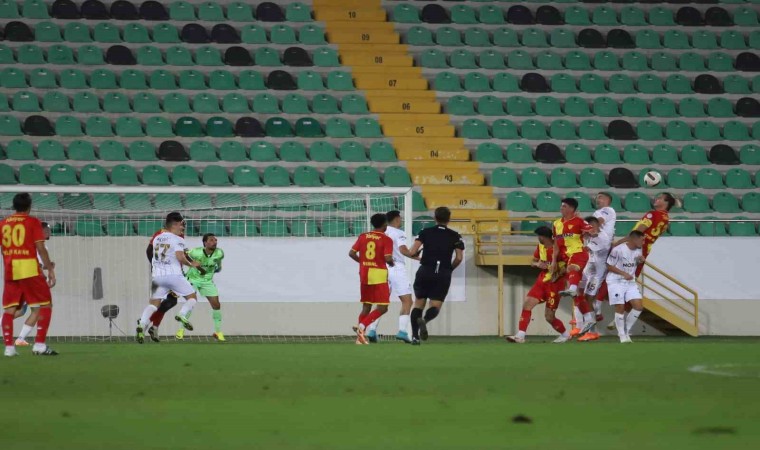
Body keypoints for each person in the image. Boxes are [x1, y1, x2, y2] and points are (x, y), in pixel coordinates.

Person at [605, 193, 674, 331]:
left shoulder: (653, 214)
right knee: (628, 281)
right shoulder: (666, 219)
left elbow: (637, 232)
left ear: (666, 203)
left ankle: (617, 314)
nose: (656, 198)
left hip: (633, 249)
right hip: (644, 252)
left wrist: (618, 242)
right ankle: (621, 315)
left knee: (613, 272)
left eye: (660, 198)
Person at [1, 193, 57, 356]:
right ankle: (39, 345)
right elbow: (40, 247)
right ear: (29, 206)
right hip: (29, 269)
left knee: (10, 309)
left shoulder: (3, 223)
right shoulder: (32, 222)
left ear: (14, 206)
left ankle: (9, 348)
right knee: (45, 304)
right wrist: (50, 269)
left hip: (10, 269)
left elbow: (3, 250)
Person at [137, 213, 202, 344]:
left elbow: (154, 252)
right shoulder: (177, 238)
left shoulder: (157, 237)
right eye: (182, 224)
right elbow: (180, 256)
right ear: (176, 224)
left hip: (158, 276)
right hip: (174, 275)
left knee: (157, 304)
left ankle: (143, 324)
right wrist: (192, 265)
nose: (183, 227)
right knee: (191, 297)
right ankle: (181, 315)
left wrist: (156, 267)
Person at [406, 207, 465, 345]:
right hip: (442, 273)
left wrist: (418, 257)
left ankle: (415, 336)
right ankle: (425, 321)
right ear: (449, 219)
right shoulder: (455, 235)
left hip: (425, 270)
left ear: (435, 218)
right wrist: (449, 269)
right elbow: (459, 258)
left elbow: (412, 251)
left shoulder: (425, 232)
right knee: (435, 305)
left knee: (418, 303)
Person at [505, 227, 569, 344]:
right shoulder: (540, 247)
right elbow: (533, 262)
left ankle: (565, 335)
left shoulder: (559, 248)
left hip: (555, 284)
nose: (538, 238)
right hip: (541, 282)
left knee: (549, 317)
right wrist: (537, 264)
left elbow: (567, 265)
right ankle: (520, 335)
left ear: (543, 237)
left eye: (539, 236)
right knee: (527, 305)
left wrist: (559, 273)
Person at [366, 211, 417, 344]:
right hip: (395, 267)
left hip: (380, 268)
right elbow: (403, 250)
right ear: (397, 219)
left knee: (382, 303)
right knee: (407, 301)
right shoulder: (398, 233)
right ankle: (402, 331)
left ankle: (371, 330)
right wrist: (418, 257)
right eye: (400, 218)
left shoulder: (379, 232)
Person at [348, 213, 394, 345]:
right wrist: (392, 263)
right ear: (385, 224)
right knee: (383, 307)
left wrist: (363, 263)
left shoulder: (363, 236)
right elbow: (387, 258)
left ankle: (359, 339)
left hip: (364, 273)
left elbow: (351, 253)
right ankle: (362, 327)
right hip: (378, 274)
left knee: (366, 306)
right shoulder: (386, 239)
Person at [143, 213, 184, 342]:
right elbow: (149, 251)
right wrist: (157, 267)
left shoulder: (179, 235)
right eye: (181, 224)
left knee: (171, 301)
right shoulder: (161, 234)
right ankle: (147, 323)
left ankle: (152, 325)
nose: (182, 227)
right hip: (162, 273)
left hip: (174, 273)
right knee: (160, 301)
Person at [177, 233, 225, 341]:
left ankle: (218, 332)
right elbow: (184, 254)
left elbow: (218, 263)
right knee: (192, 302)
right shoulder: (196, 252)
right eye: (211, 240)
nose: (214, 242)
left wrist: (218, 268)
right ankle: (181, 331)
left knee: (216, 305)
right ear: (205, 243)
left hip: (207, 281)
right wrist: (192, 262)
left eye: (215, 240)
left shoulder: (219, 253)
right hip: (193, 279)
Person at [574, 216, 612, 342]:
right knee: (576, 291)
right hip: (588, 269)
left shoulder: (603, 237)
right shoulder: (589, 236)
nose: (585, 229)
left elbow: (586, 249)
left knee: (588, 298)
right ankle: (580, 324)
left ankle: (592, 331)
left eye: (588, 227)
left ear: (595, 226)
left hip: (597, 273)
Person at [606, 230, 646, 343]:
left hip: (630, 281)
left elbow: (634, 263)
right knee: (620, 307)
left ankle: (626, 331)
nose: (643, 242)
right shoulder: (618, 250)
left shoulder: (639, 249)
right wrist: (623, 273)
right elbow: (608, 266)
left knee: (638, 306)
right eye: (642, 240)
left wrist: (640, 261)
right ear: (634, 239)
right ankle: (622, 336)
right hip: (616, 281)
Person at [14, 221, 51, 346]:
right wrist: (44, 277)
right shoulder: (40, 246)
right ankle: (21, 339)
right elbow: (37, 265)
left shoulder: (30, 244)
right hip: (32, 281)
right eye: (47, 230)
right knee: (38, 310)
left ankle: (21, 338)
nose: (49, 232)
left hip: (24, 279)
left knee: (20, 311)